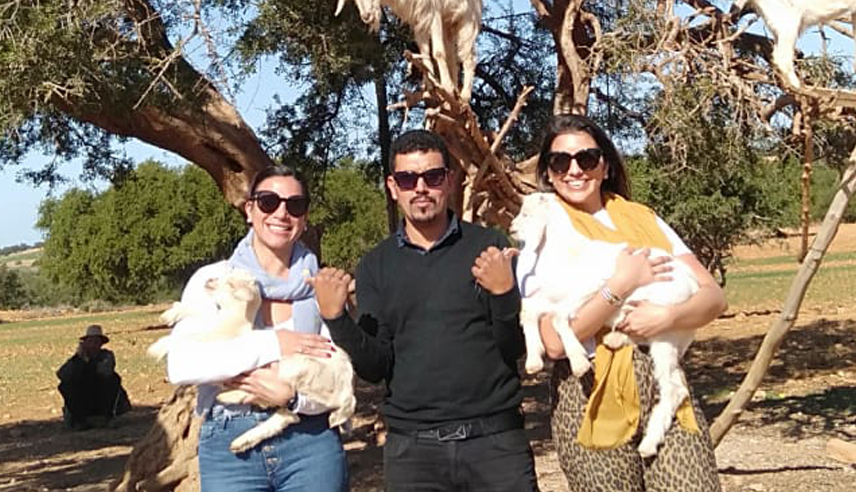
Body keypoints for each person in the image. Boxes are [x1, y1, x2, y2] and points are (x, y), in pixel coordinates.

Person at [314, 128, 539, 492]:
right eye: (407, 178)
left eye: (432, 176)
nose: (420, 187)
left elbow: (514, 348)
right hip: (414, 453)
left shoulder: (489, 248)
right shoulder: (376, 266)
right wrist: (337, 319)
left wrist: (502, 294)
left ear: (449, 181)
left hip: (496, 445)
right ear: (392, 186)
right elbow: (375, 367)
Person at [518, 113, 726, 492]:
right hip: (590, 392)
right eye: (560, 161)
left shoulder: (641, 218)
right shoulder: (542, 227)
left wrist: (667, 316)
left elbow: (712, 296)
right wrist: (621, 284)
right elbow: (551, 341)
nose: (574, 170)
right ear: (548, 172)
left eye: (587, 158)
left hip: (662, 378)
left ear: (606, 164)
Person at [164, 165, 348, 492]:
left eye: (295, 205)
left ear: (304, 218)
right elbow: (183, 364)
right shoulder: (216, 280)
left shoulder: (322, 286)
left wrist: (292, 397)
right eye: (268, 201)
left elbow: (334, 381)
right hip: (229, 442)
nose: (281, 212)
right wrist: (276, 344)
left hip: (310, 442)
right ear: (249, 210)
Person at [56, 324, 132, 429]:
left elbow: (105, 372)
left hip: (101, 395)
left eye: (96, 342)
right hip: (83, 398)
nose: (93, 345)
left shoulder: (107, 355)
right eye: (90, 342)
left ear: (101, 344)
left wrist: (88, 362)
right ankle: (80, 420)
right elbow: (61, 375)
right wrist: (79, 359)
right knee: (66, 385)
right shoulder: (77, 359)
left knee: (114, 379)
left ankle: (106, 417)